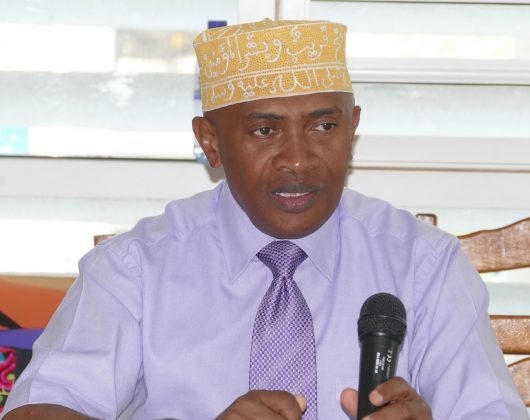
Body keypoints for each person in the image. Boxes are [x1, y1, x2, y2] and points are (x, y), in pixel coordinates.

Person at [2, 19, 527, 420]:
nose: (298, 159)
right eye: (264, 131)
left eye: (324, 126)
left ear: (353, 128)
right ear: (210, 142)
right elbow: (38, 410)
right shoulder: (134, 269)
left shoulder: (425, 264)